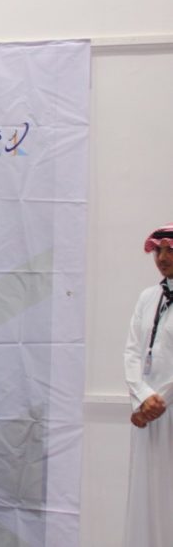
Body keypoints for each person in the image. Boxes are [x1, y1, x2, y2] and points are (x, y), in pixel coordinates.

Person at [123, 225, 173, 546]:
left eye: (170, 250)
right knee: (146, 490)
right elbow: (132, 351)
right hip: (148, 411)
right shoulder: (148, 297)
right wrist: (141, 398)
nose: (162, 258)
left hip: (164, 407)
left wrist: (158, 399)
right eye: (158, 251)